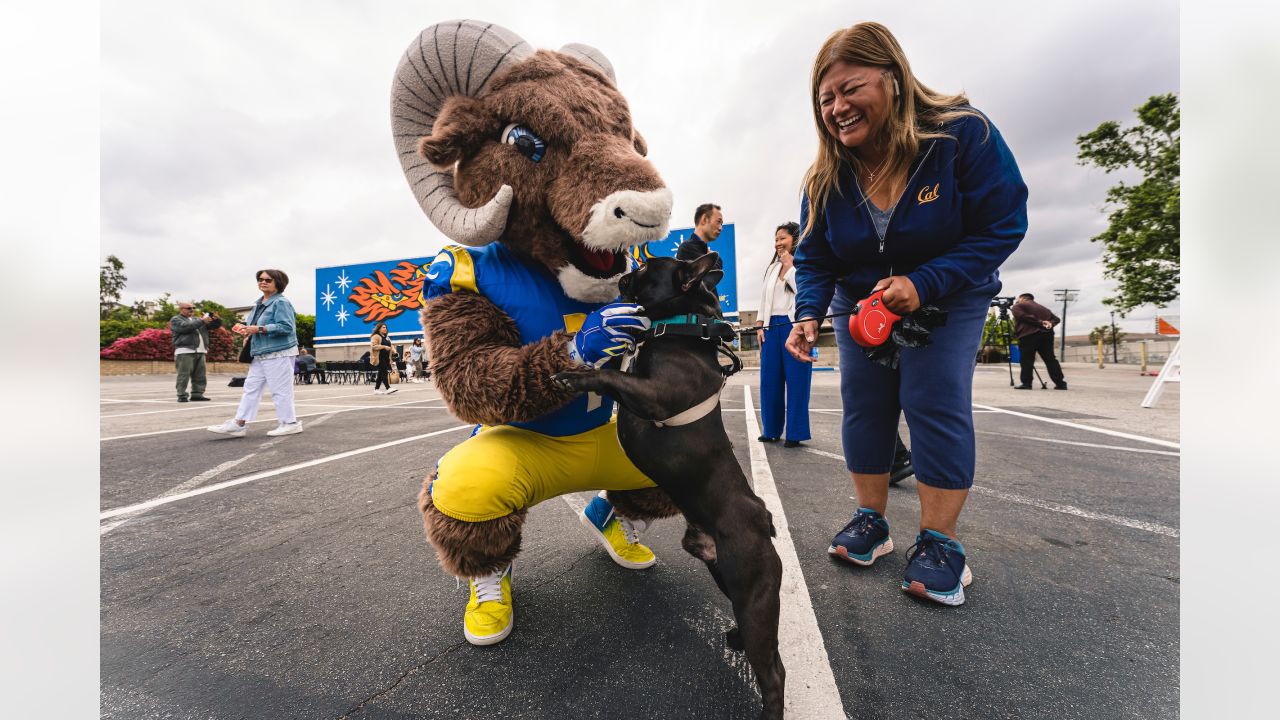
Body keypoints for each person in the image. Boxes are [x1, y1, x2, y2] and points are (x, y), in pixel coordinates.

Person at [785, 22, 1027, 607]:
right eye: (826, 100)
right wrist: (808, 313)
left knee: (932, 398)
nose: (837, 109)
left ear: (892, 80)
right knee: (865, 406)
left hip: (949, 291)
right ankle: (872, 522)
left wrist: (926, 282)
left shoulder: (962, 135)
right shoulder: (825, 176)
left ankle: (941, 543)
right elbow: (814, 255)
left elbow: (1003, 225)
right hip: (862, 301)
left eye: (850, 89)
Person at [207, 269, 303, 437]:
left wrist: (259, 328)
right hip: (259, 352)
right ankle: (239, 423)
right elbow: (255, 328)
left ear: (278, 283)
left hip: (278, 352)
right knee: (250, 388)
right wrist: (248, 332)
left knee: (280, 390)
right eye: (260, 279)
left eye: (268, 279)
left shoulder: (281, 302)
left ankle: (290, 423)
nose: (263, 282)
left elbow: (287, 327)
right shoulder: (259, 304)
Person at [755, 222, 812, 447]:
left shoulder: (803, 264)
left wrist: (790, 269)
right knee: (770, 381)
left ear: (795, 240)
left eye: (783, 238)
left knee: (797, 381)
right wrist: (760, 325)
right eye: (776, 239)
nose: (778, 243)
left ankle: (795, 434)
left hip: (794, 327)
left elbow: (805, 292)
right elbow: (763, 298)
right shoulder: (771, 268)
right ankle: (771, 430)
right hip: (771, 328)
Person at [1011, 293, 1067, 390]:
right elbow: (1056, 319)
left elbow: (1022, 316)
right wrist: (1050, 323)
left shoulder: (1018, 306)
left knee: (1027, 360)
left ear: (1022, 298)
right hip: (1046, 335)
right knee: (1050, 359)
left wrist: (1040, 322)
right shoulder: (1043, 308)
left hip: (1028, 335)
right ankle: (1060, 383)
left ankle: (1026, 383)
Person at [170, 302, 220, 402]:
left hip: (200, 351)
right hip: (185, 351)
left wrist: (216, 319)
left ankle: (197, 394)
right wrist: (202, 320)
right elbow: (186, 327)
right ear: (181, 309)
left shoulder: (197, 320)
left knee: (200, 375)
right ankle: (182, 395)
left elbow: (213, 326)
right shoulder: (176, 319)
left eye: (193, 308)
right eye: (189, 308)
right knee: (184, 375)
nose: (191, 310)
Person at [675, 203, 725, 293]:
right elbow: (713, 273)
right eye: (718, 222)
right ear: (704, 220)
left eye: (722, 224)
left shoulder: (701, 249)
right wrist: (716, 258)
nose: (720, 228)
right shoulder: (687, 247)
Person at [369, 323, 399, 395]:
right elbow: (374, 346)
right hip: (378, 358)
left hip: (386, 358)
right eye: (383, 327)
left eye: (386, 327)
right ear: (379, 329)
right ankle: (388, 388)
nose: (385, 328)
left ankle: (376, 389)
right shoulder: (376, 336)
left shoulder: (386, 337)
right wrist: (384, 347)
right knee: (384, 372)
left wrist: (394, 352)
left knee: (380, 373)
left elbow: (391, 345)